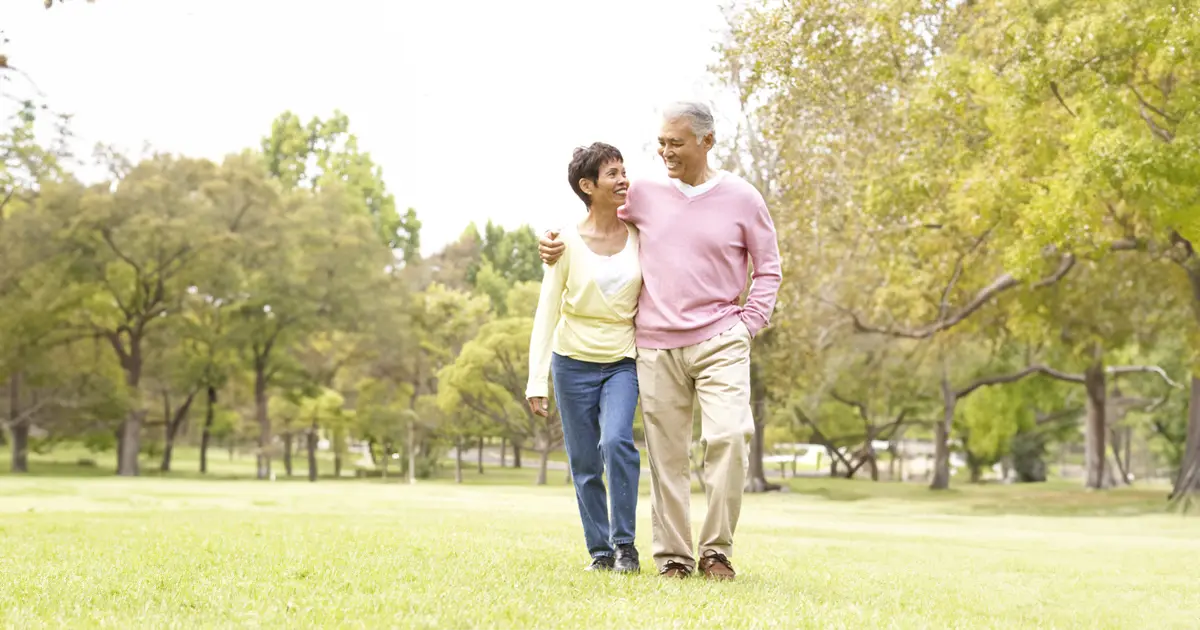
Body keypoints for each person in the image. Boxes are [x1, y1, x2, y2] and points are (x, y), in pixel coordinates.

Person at [538, 102, 781, 580]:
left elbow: (768, 266)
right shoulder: (645, 191)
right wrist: (553, 240)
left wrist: (749, 322)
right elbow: (598, 221)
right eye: (662, 142)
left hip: (721, 338)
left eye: (676, 143)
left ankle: (717, 551)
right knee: (668, 456)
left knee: (730, 437)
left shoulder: (743, 197)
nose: (664, 151)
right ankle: (673, 557)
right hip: (654, 344)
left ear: (706, 142)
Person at [526, 142, 643, 573]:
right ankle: (600, 551)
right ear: (587, 186)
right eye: (613, 173)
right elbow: (547, 310)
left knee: (616, 442)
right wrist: (537, 381)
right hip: (572, 362)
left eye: (624, 170)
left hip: (622, 360)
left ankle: (625, 546)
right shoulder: (565, 243)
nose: (623, 179)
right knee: (585, 462)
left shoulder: (639, 234)